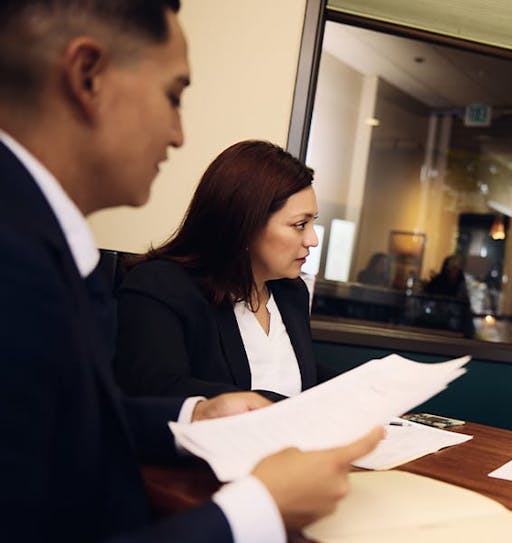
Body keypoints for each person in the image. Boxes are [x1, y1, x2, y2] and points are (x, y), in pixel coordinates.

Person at [0, 2, 381, 541]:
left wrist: (196, 415)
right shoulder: (19, 261)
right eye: (173, 95)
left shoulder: (52, 245)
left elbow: (75, 430)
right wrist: (261, 509)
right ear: (87, 75)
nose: (179, 135)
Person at [114, 140, 323, 401]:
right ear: (246, 223)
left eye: (313, 222)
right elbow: (156, 389)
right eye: (300, 225)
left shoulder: (291, 292)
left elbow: (297, 375)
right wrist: (279, 408)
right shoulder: (161, 287)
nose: (312, 240)